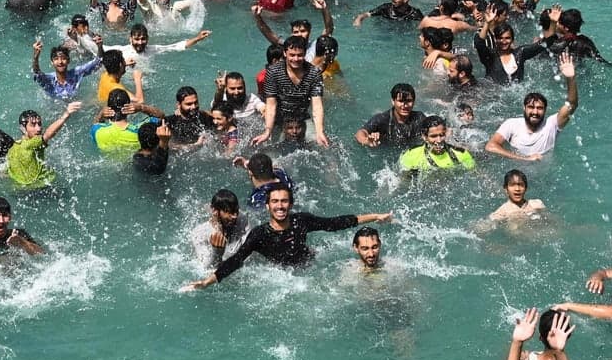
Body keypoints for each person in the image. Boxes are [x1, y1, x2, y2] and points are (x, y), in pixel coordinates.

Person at [186, 184, 392, 289]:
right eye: (275, 201)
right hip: (283, 277)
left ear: (290, 204)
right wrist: (207, 282)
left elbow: (334, 223)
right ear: (267, 206)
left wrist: (374, 216)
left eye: (284, 201)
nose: (280, 206)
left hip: (309, 266)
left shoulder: (301, 220)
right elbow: (236, 260)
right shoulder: (259, 234)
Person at [485, 52, 578, 161]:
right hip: (517, 174)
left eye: (539, 108)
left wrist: (570, 79)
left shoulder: (551, 125)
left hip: (545, 176)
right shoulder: (512, 124)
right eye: (531, 107)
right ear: (524, 108)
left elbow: (572, 104)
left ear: (545, 110)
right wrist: (525, 158)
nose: (535, 112)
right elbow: (490, 146)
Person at [253, 35, 329, 147]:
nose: (296, 59)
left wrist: (320, 132)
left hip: (302, 119)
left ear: (305, 54)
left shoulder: (314, 73)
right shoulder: (273, 72)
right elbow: (271, 104)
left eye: (300, 55)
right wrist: (268, 130)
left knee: (321, 144)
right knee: (267, 147)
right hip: (279, 120)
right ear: (285, 53)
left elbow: (317, 105)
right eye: (292, 55)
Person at [7, 103, 83, 188]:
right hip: (38, 188)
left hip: (18, 189)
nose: (38, 129)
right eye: (33, 125)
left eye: (39, 124)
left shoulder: (14, 147)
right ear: (23, 129)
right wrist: (65, 115)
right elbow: (47, 135)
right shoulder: (31, 144)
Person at [191, 189, 250, 269]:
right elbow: (206, 270)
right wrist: (217, 252)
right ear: (215, 211)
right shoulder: (199, 233)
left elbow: (248, 256)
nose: (234, 216)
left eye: (236, 211)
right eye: (228, 212)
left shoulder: (242, 219)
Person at [397, 115, 475, 176]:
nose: (439, 140)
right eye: (433, 136)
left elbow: (475, 175)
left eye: (441, 135)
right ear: (424, 137)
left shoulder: (461, 154)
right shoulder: (411, 155)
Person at [355, 83, 427, 149]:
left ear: (414, 101)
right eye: (401, 101)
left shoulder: (419, 118)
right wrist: (367, 141)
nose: (404, 105)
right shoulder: (382, 119)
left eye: (408, 101)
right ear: (393, 101)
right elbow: (360, 133)